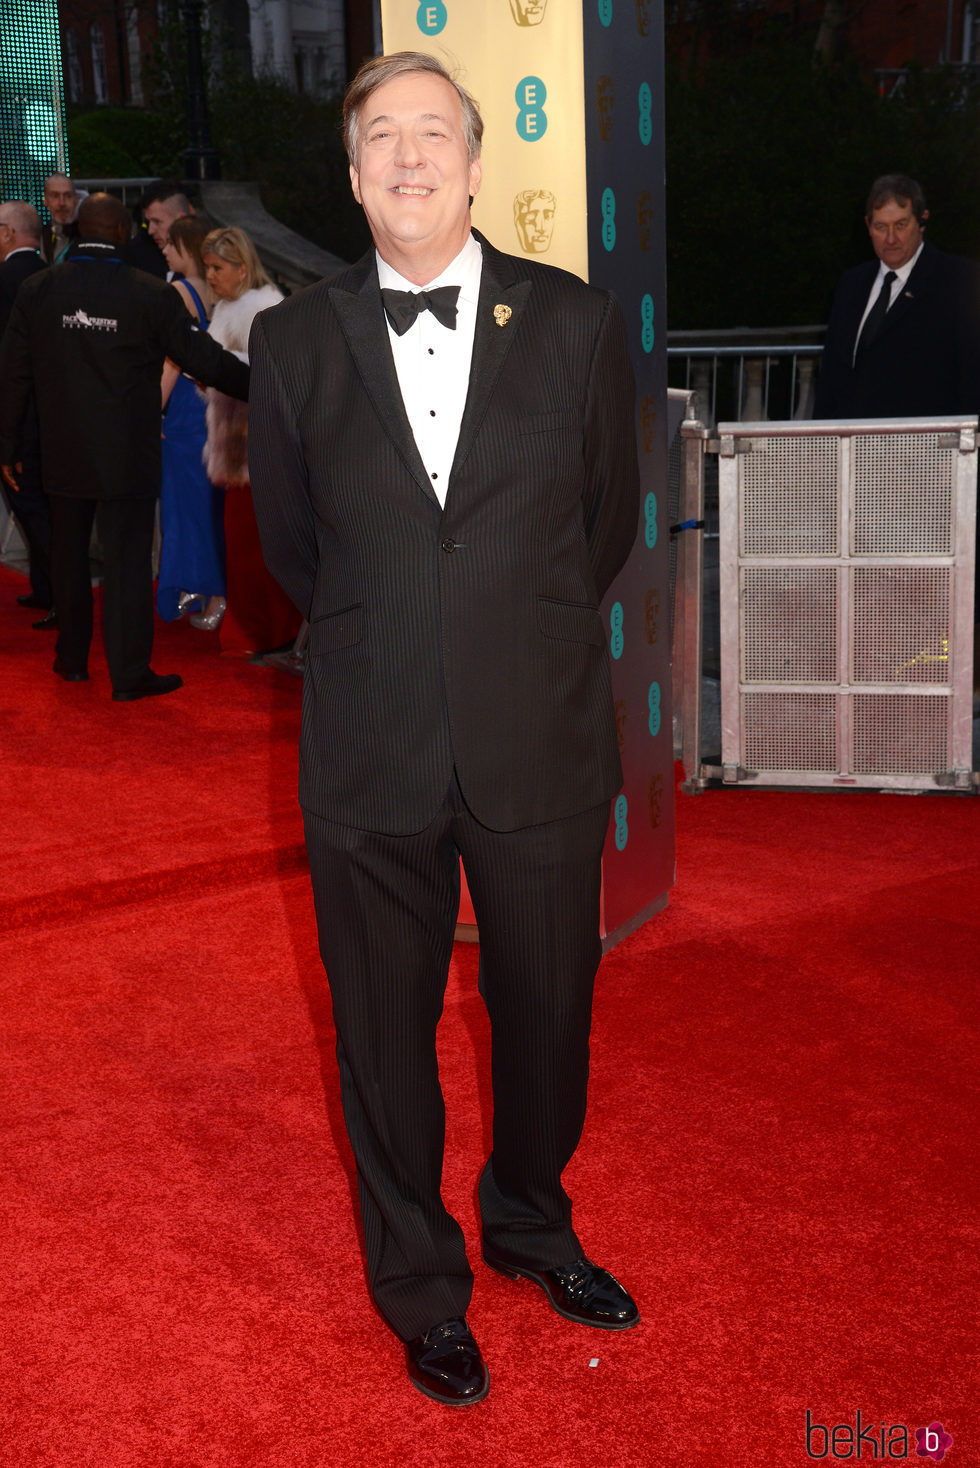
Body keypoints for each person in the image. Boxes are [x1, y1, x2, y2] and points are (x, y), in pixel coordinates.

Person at [248, 52, 641, 1407]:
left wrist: (497, 634)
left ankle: (531, 1220)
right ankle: (419, 1280)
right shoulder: (291, 343)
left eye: (433, 133)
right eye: (380, 139)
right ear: (353, 176)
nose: (409, 158)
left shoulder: (580, 324)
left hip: (538, 737)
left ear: (478, 165)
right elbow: (295, 546)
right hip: (370, 745)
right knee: (380, 1034)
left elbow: (603, 527)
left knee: (549, 1015)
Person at [0, 193, 249, 700]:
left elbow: (13, 376)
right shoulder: (149, 294)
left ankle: (71, 661)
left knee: (67, 557)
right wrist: (266, 382)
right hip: (127, 455)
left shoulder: (38, 289)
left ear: (77, 233)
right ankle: (129, 673)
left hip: (62, 451)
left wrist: (6, 448)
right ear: (121, 235)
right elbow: (202, 358)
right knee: (127, 562)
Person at [200, 225, 297, 652]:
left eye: (217, 267)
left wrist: (219, 367)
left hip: (258, 449)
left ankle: (270, 633)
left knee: (258, 550)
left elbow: (277, 381)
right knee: (240, 548)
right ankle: (252, 630)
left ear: (242, 269)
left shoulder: (265, 308)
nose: (210, 276)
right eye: (206, 267)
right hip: (233, 447)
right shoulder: (227, 308)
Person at [814, 174, 980, 419]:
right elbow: (831, 377)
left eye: (901, 225)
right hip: (854, 448)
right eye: (881, 227)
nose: (890, 239)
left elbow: (972, 378)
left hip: (930, 448)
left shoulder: (961, 280)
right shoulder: (851, 283)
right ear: (868, 226)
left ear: (922, 221)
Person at [156, 215, 227, 628]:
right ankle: (205, 589)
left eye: (171, 244)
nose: (164, 250)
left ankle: (208, 592)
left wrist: (153, 411)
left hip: (185, 408)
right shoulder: (218, 290)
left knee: (188, 508)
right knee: (205, 506)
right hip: (210, 406)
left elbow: (170, 360)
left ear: (186, 248)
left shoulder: (179, 291)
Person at [0, 201, 53, 616]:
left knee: (30, 506)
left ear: (6, 233)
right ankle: (47, 588)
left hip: (17, 415)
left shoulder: (4, 281)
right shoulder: (55, 277)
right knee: (45, 505)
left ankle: (53, 592)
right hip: (58, 412)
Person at [137, 182, 196, 279]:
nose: (150, 231)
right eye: (148, 222)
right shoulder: (142, 255)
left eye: (157, 221)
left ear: (181, 219)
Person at [41, 174, 79, 264]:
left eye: (68, 196)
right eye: (55, 196)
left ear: (76, 200)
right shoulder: (42, 233)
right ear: (45, 200)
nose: (62, 203)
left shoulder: (86, 232)